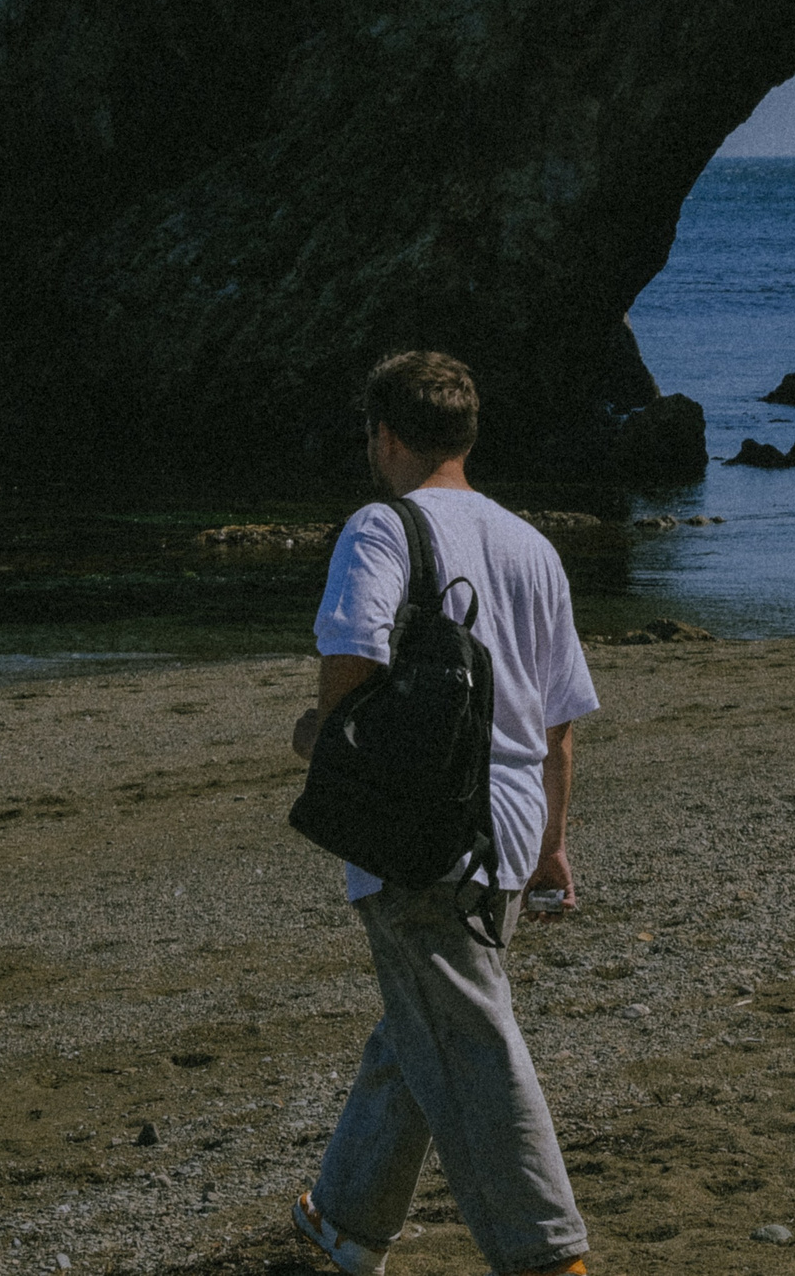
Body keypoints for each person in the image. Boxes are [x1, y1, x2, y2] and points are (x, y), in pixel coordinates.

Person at [288, 350, 597, 1276]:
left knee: (466, 1037)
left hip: (420, 831)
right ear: (467, 434)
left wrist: (322, 737)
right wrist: (550, 847)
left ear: (384, 435)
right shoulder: (530, 545)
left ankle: (548, 1255)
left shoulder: (382, 527)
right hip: (503, 825)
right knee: (424, 1017)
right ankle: (341, 1221)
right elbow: (558, 724)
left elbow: (349, 654)